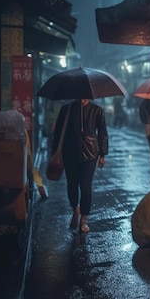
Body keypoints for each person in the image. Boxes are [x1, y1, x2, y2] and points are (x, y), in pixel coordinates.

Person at [52, 99, 108, 233]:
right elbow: (58, 132)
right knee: (72, 184)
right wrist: (54, 153)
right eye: (80, 96)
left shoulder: (97, 110)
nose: (83, 99)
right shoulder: (67, 109)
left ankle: (84, 219)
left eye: (86, 97)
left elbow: (102, 133)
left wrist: (102, 154)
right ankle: (75, 210)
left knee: (85, 186)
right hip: (70, 153)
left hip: (90, 154)